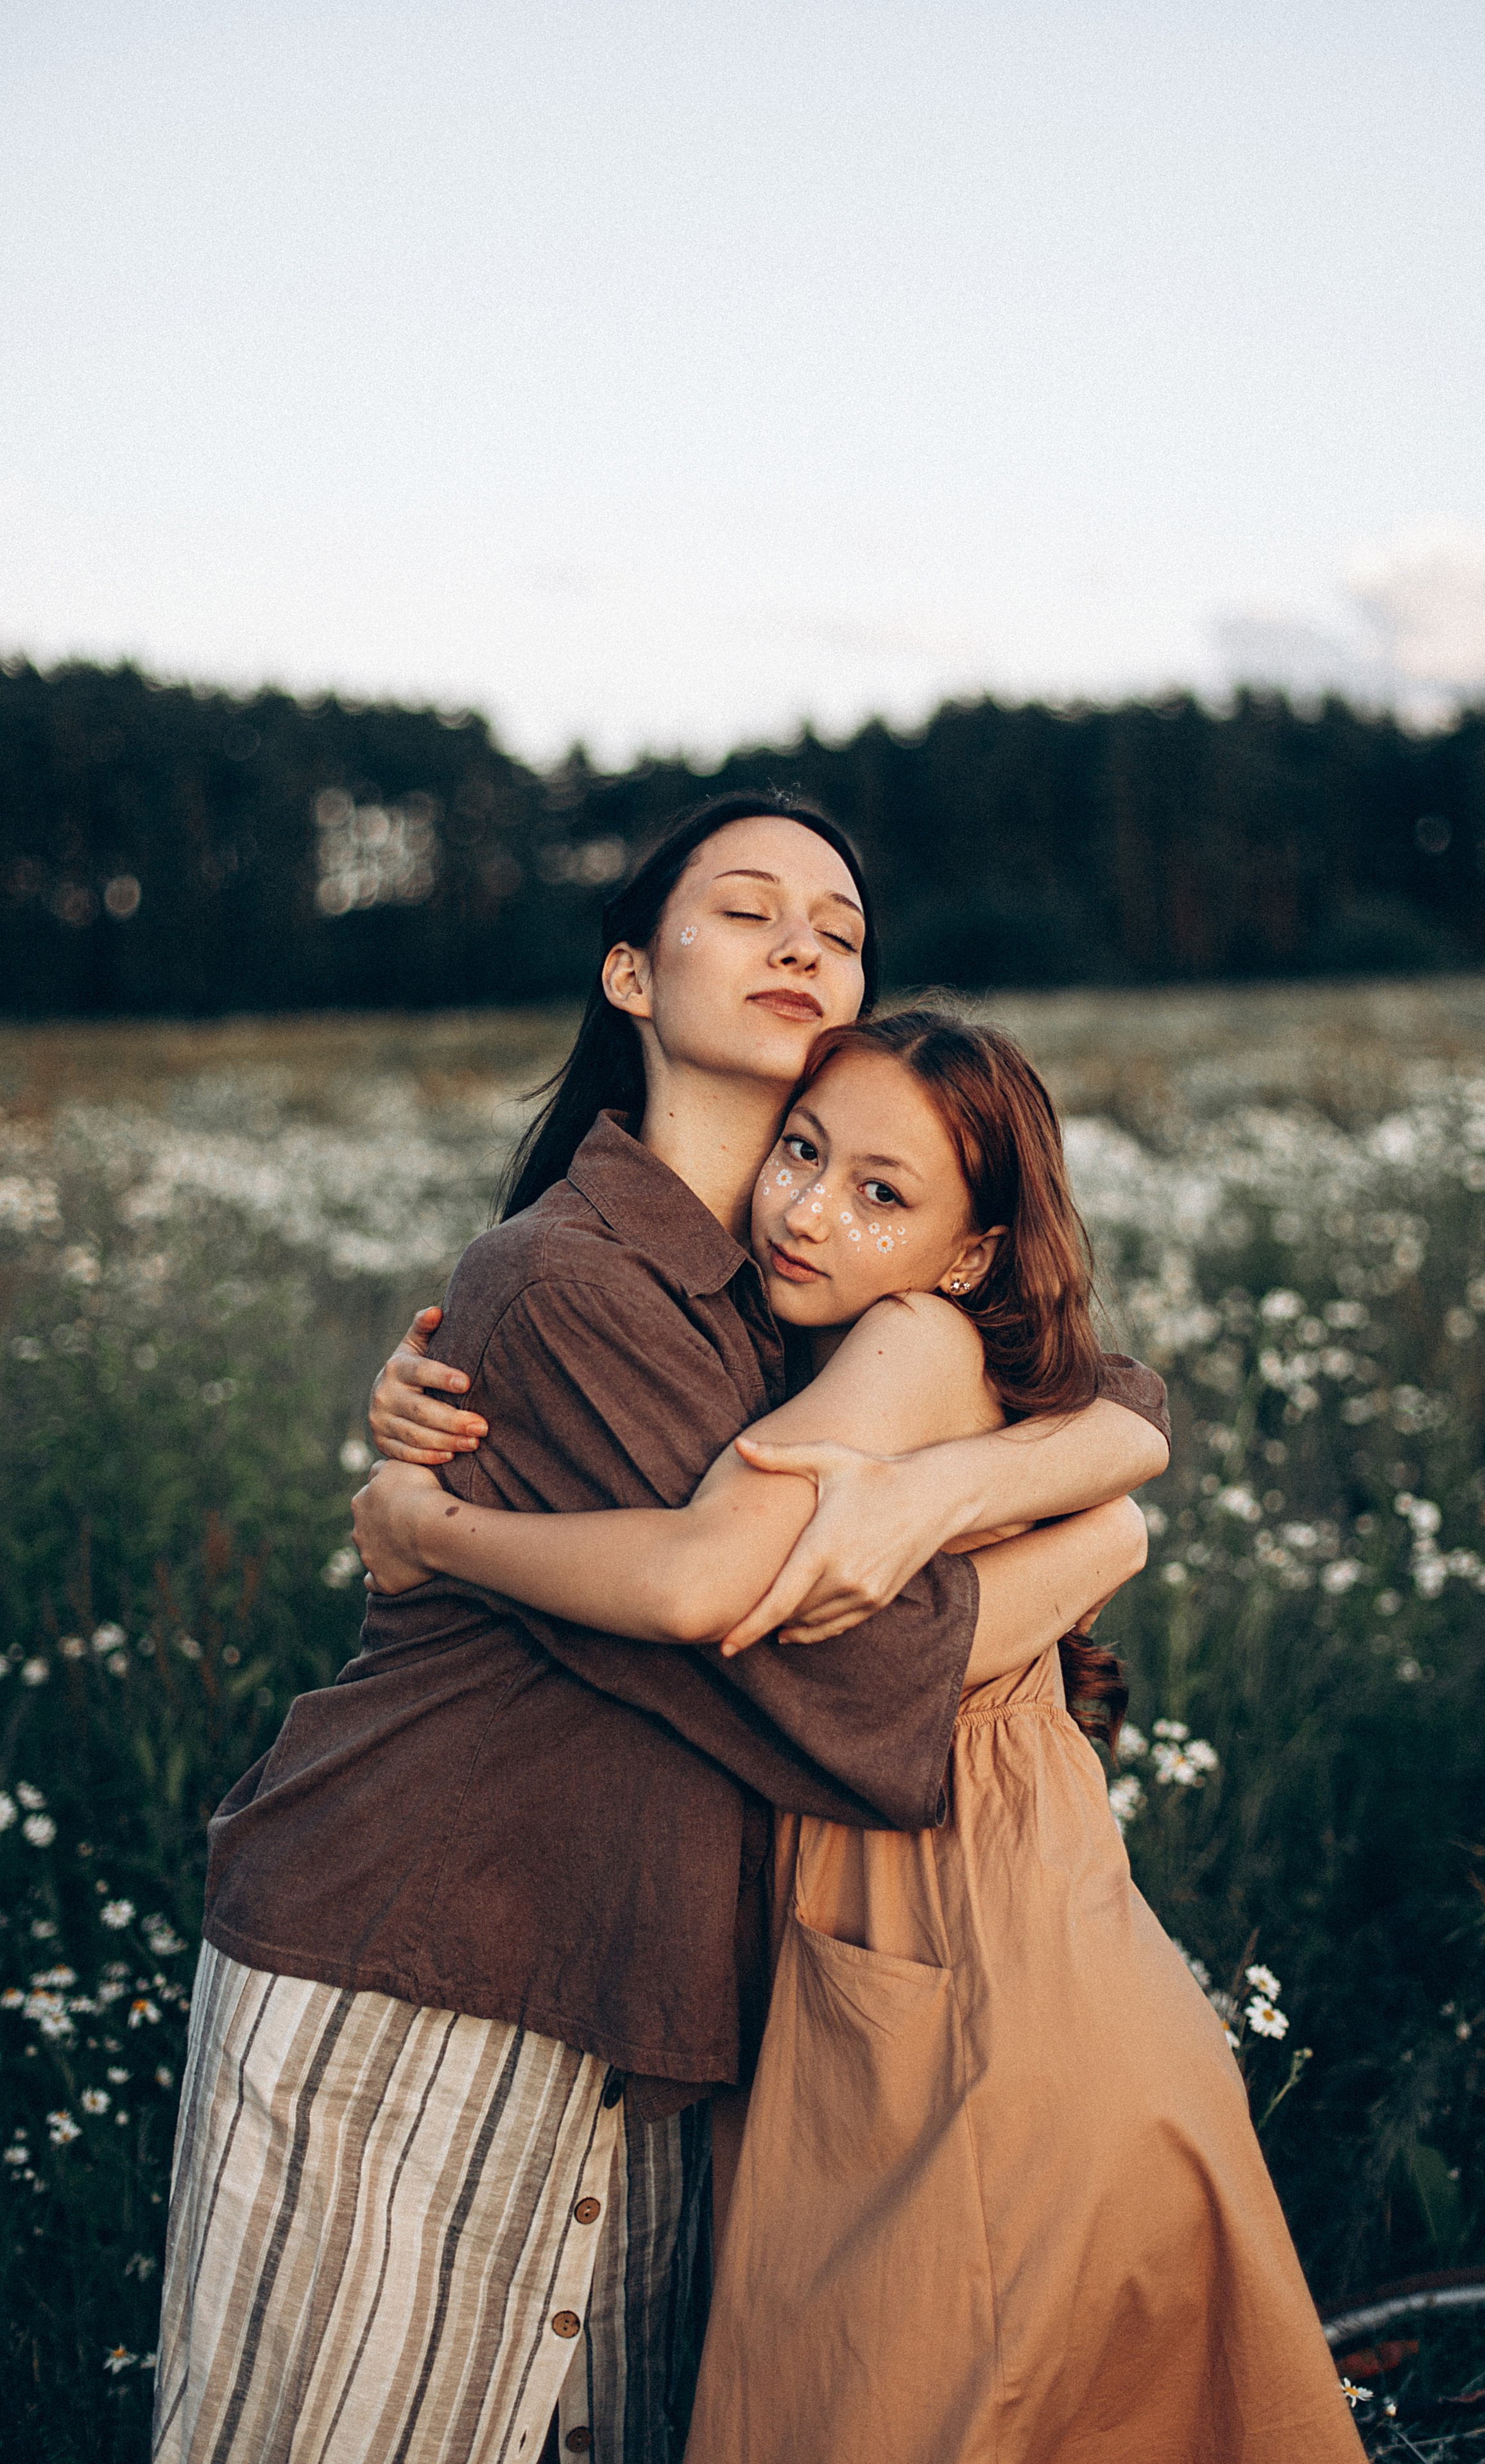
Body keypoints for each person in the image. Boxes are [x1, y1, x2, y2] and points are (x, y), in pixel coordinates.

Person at [154, 795, 1171, 2464]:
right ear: (631, 973)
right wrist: (1084, 1540)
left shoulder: (821, 1291)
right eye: (749, 911)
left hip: (662, 2032)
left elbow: (1093, 1377)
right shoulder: (563, 1284)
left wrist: (1074, 1482)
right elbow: (817, 1676)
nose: (801, 947)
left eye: (838, 931)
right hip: (423, 1986)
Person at [356, 1009, 1365, 2464]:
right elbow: (1123, 1420)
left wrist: (436, 1533)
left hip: (968, 1978)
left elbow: (703, 1583)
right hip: (925, 1957)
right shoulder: (831, 1338)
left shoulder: (902, 1337)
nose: (808, 1209)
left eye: (880, 1193)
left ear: (967, 1254)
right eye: (802, 1153)